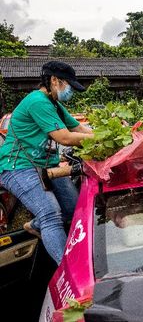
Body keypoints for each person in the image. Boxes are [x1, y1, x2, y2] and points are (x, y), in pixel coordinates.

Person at [0, 61, 93, 264]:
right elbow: (65, 138)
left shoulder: (55, 106)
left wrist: (113, 134)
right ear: (54, 80)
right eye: (68, 85)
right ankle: (69, 271)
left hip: (45, 165)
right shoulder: (37, 102)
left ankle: (34, 225)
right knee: (51, 213)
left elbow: (79, 129)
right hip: (18, 166)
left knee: (74, 209)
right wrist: (98, 139)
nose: (70, 91)